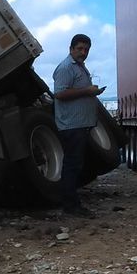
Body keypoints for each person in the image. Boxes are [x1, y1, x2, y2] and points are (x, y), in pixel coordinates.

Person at [53, 33, 105, 217]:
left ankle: (72, 202)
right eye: (80, 49)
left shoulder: (80, 67)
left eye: (86, 49)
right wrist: (87, 91)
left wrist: (91, 92)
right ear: (71, 49)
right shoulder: (66, 68)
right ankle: (70, 206)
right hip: (71, 125)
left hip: (79, 125)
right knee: (72, 165)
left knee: (76, 164)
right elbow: (59, 93)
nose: (83, 52)